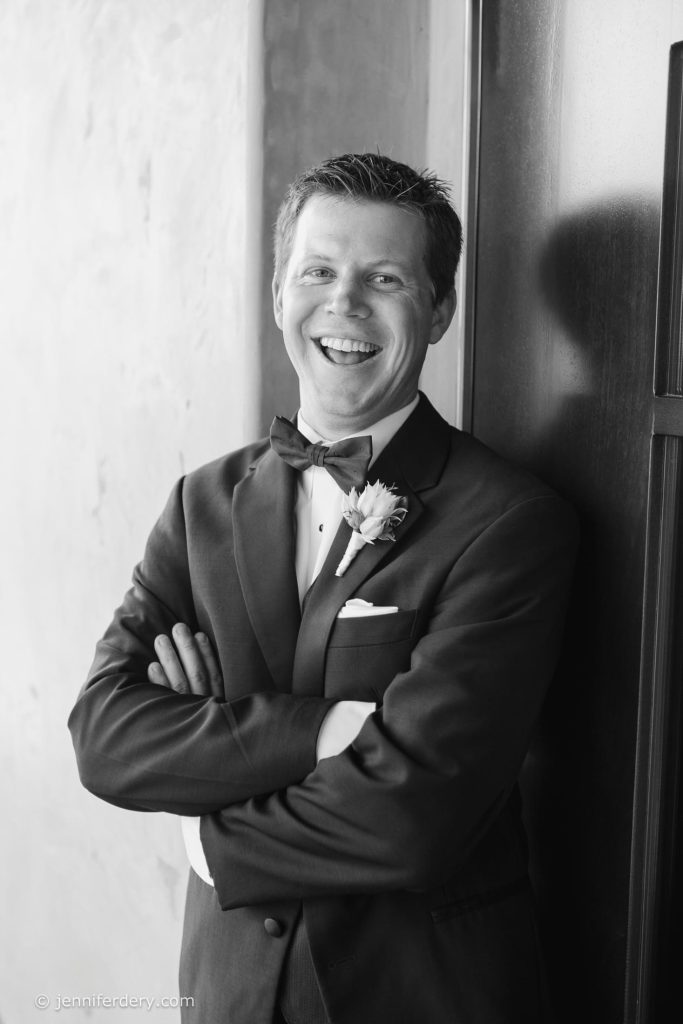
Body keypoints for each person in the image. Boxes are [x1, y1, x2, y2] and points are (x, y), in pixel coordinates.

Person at [68, 152, 578, 1024]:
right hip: (228, 992)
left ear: (439, 309)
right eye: (317, 271)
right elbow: (105, 737)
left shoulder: (510, 521)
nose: (345, 303)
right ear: (278, 295)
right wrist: (329, 730)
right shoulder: (200, 504)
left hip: (417, 997)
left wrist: (211, 832)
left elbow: (414, 816)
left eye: (384, 278)